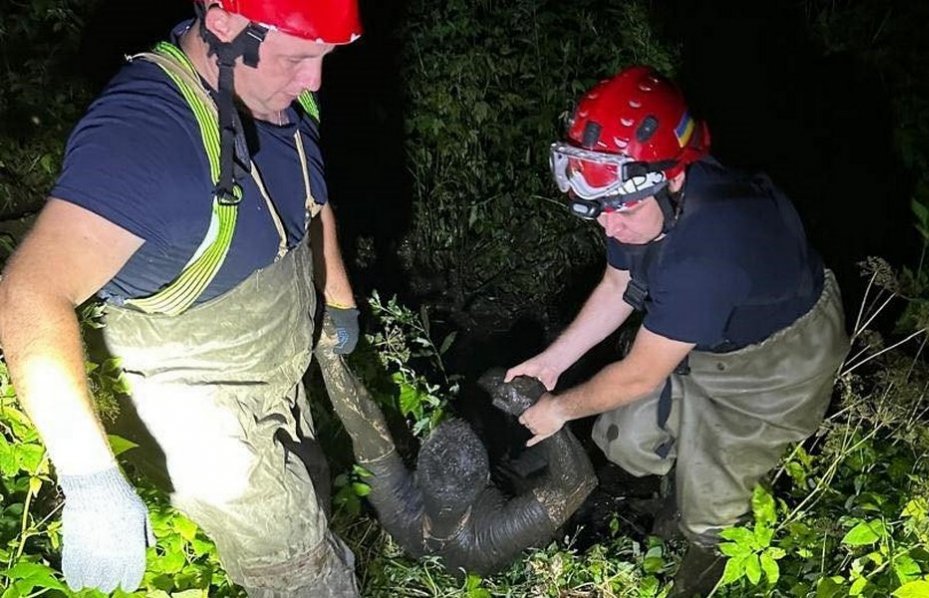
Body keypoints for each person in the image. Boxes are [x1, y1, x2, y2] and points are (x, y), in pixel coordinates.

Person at [0, 1, 365, 595]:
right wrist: (90, 478)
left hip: (278, 369)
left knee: (313, 499)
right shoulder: (145, 138)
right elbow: (29, 291)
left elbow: (310, 192)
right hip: (204, 404)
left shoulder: (269, 88)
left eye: (325, 58)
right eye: (299, 58)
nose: (314, 80)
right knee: (305, 578)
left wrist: (339, 299)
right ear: (224, 24)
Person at [506, 65, 851, 597]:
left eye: (619, 211)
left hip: (775, 361)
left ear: (671, 179)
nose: (607, 225)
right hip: (699, 339)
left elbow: (638, 376)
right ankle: (683, 474)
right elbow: (618, 280)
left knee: (715, 516)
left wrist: (556, 409)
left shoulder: (706, 254)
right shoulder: (638, 200)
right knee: (625, 440)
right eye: (600, 209)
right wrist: (552, 363)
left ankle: (704, 568)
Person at [314, 315, 596, 576]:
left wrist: (329, 358)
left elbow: (365, 428)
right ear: (484, 478)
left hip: (502, 480)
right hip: (523, 499)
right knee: (576, 436)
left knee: (488, 388)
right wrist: (538, 402)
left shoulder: (398, 508)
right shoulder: (491, 535)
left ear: (420, 473)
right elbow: (578, 483)